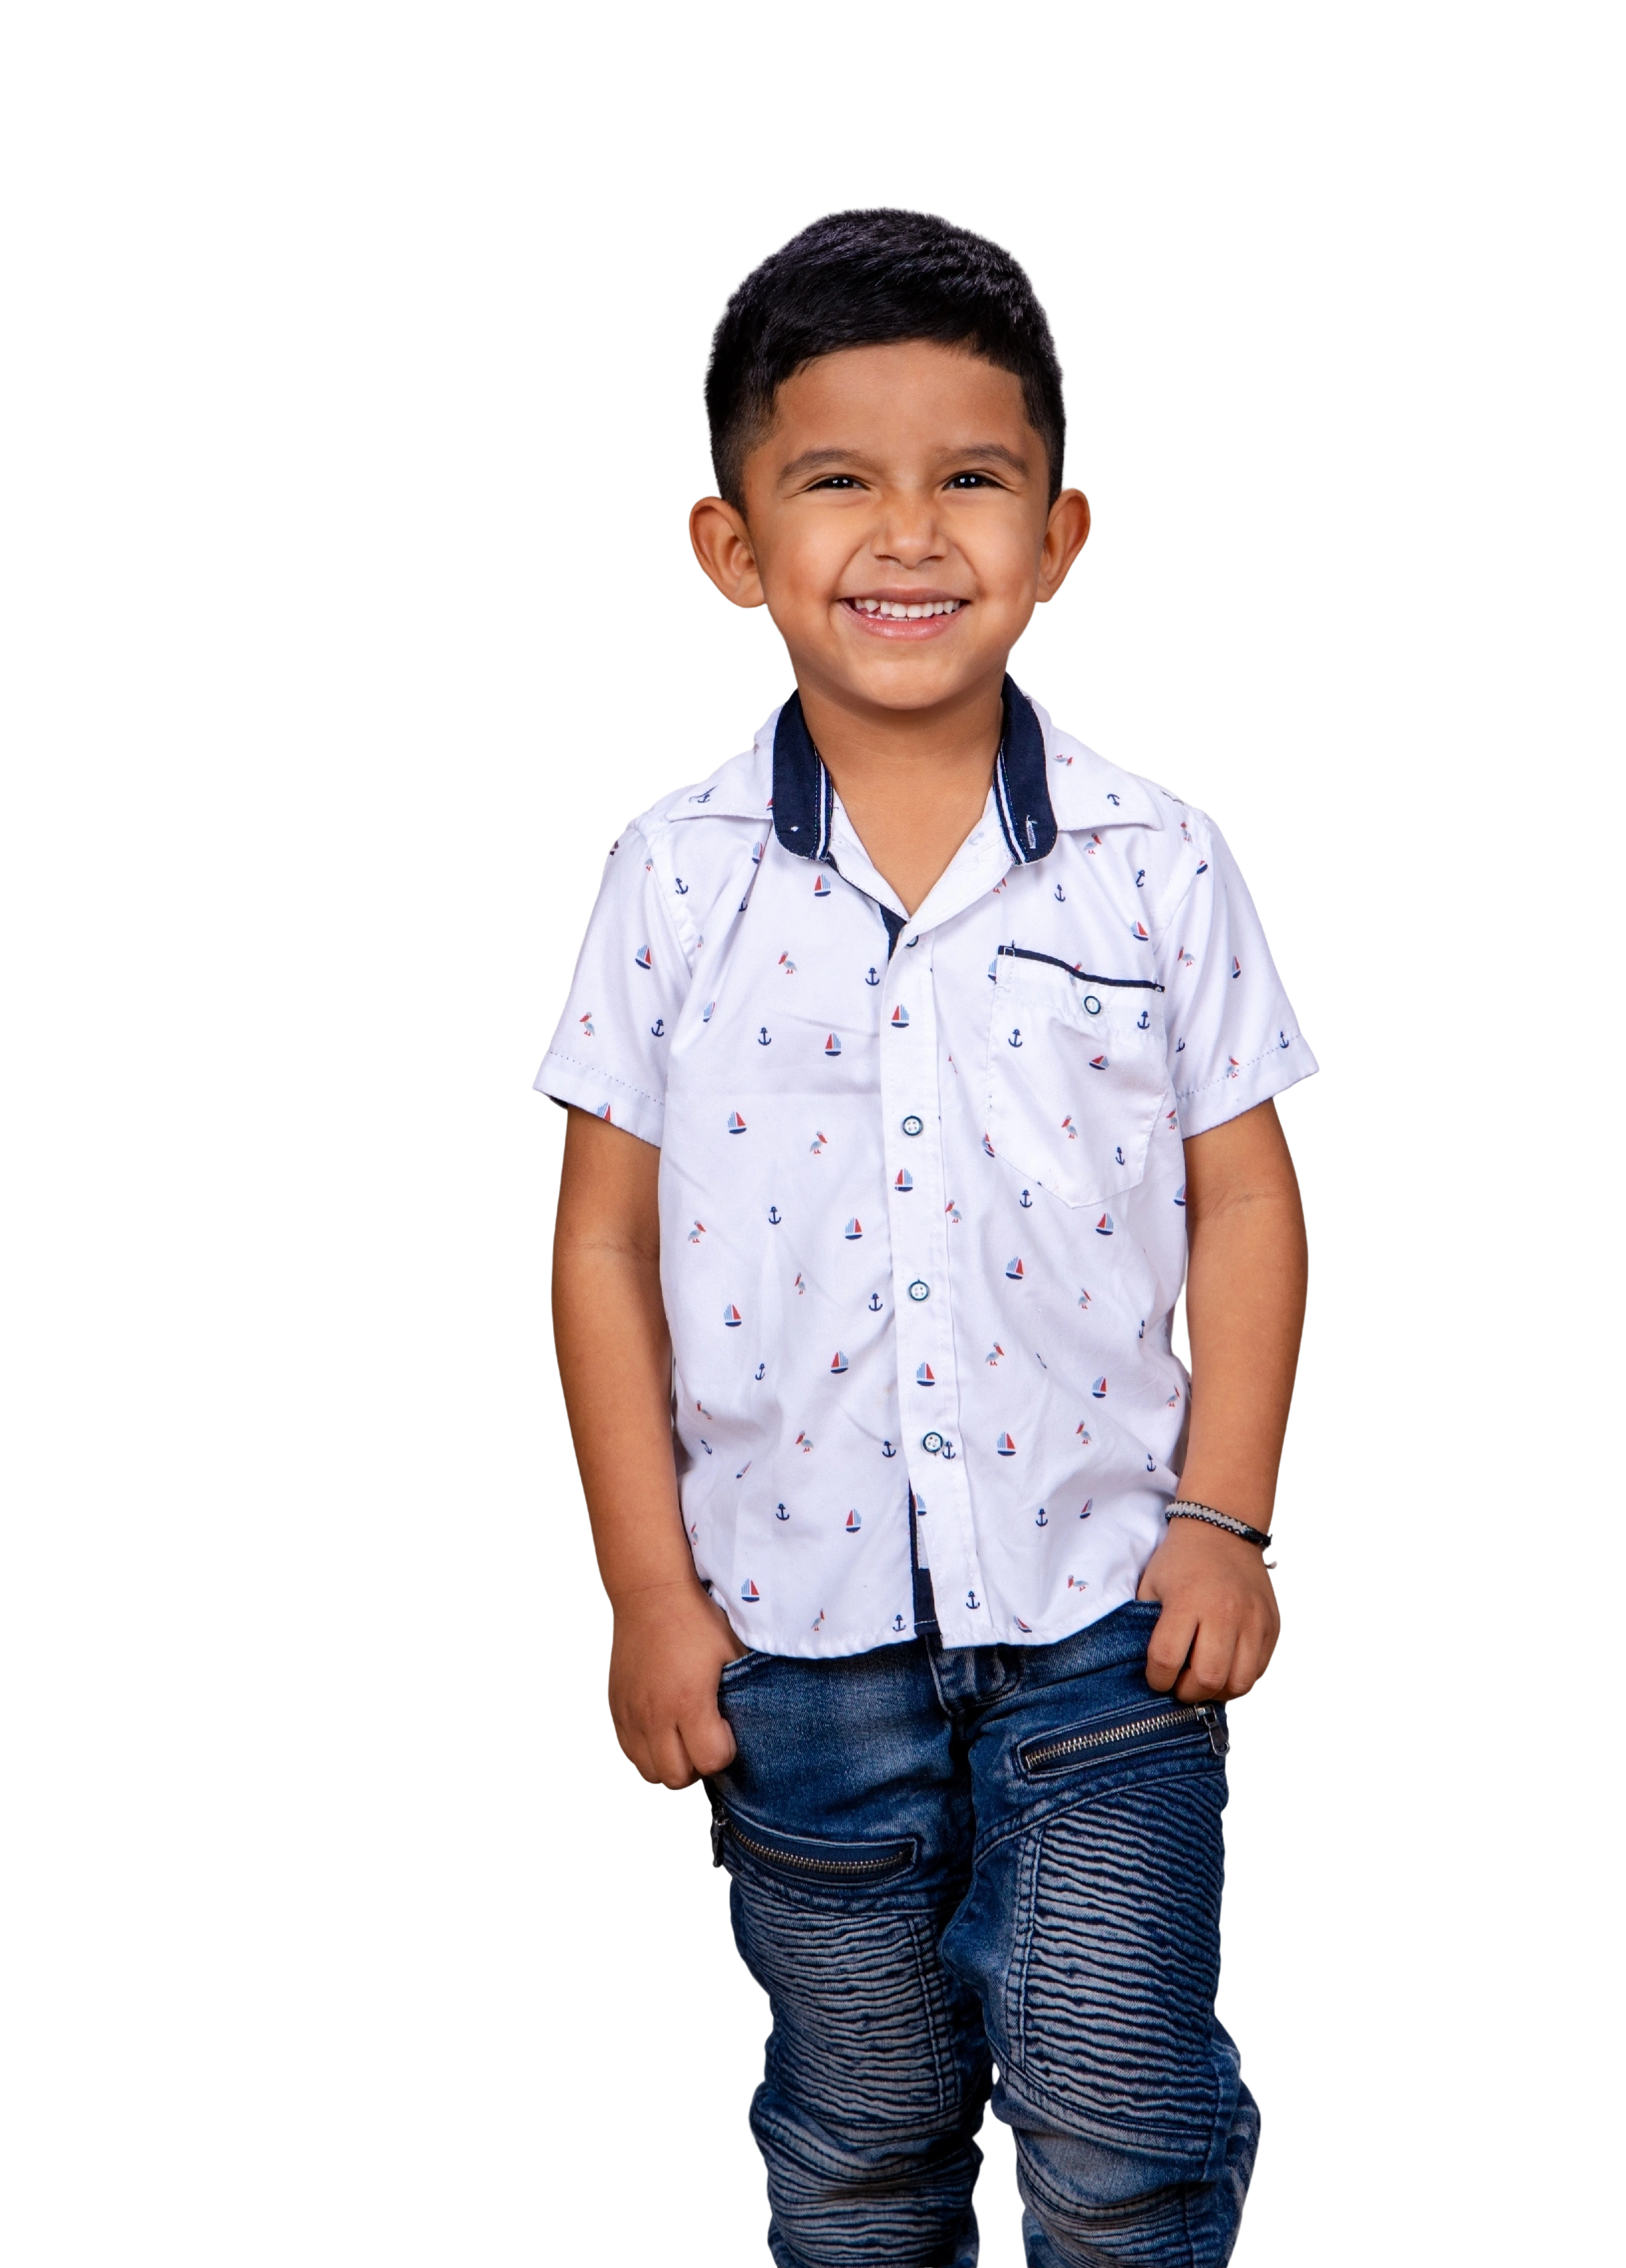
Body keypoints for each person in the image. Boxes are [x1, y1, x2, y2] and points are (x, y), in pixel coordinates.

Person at [534, 204, 1319, 2268]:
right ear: (731, 547)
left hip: (1110, 1626)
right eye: (837, 481)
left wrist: (1226, 1518)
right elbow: (600, 1245)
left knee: (1122, 2121)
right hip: (791, 1650)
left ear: (1063, 535)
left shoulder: (1158, 863)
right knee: (861, 2141)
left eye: (971, 476)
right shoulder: (673, 878)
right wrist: (647, 1591)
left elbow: (1246, 1194)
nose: (909, 533)